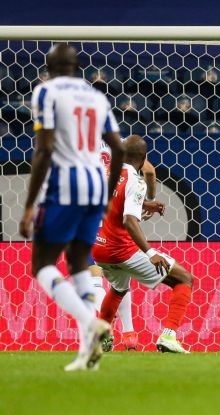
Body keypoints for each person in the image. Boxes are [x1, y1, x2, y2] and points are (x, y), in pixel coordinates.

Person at [19, 43, 123, 371]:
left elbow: (44, 149)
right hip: (96, 183)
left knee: (42, 264)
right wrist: (107, 195)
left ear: (49, 68)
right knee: (79, 263)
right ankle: (87, 353)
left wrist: (29, 205)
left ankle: (90, 322)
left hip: (66, 183)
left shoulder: (46, 92)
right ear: (76, 67)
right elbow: (119, 149)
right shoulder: (95, 96)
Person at [92, 135, 194, 354]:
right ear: (144, 157)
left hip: (99, 247)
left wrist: (145, 204)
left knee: (118, 288)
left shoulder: (107, 173)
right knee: (184, 278)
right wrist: (149, 253)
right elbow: (129, 220)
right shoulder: (135, 181)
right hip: (121, 249)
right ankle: (169, 336)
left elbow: (112, 200)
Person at [89, 139, 163, 351]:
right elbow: (149, 172)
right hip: (116, 220)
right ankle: (129, 334)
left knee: (92, 278)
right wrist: (148, 199)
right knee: (120, 281)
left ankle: (105, 323)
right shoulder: (121, 144)